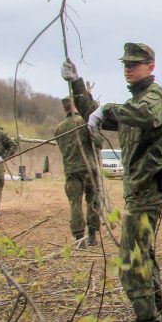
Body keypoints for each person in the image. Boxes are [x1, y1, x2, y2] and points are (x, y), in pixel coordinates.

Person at [68, 44, 162, 322]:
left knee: (132, 263)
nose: (128, 69)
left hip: (148, 192)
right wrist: (76, 84)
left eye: (135, 64)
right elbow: (98, 115)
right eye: (125, 64)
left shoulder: (154, 98)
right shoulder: (133, 104)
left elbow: (143, 115)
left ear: (150, 66)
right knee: (144, 259)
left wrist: (109, 110)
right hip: (138, 192)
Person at [54, 94, 101, 247]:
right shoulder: (84, 123)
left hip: (71, 170)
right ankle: (92, 235)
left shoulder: (59, 129)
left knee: (75, 203)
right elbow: (98, 143)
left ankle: (79, 238)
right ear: (75, 106)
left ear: (64, 108)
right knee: (92, 201)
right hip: (88, 168)